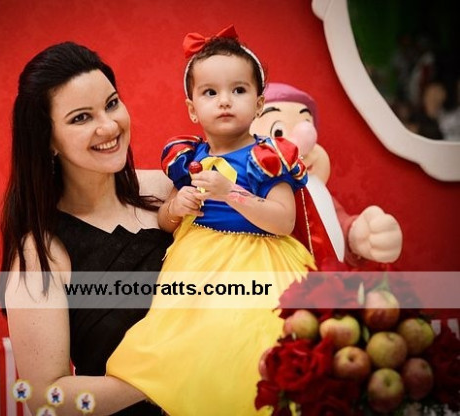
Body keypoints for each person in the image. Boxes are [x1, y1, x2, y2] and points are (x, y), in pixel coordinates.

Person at [107, 25, 314, 415]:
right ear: (192, 109)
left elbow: (283, 221)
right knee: (188, 343)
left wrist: (230, 193)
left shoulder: (266, 158)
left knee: (250, 339)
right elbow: (165, 223)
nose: (225, 101)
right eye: (210, 93)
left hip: (260, 261)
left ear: (259, 104)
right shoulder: (189, 157)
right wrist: (176, 206)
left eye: (239, 90)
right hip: (197, 260)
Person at [0, 41, 173, 415]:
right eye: (80, 118)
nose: (108, 126)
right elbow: (46, 397)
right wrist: (162, 375)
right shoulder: (41, 254)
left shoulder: (168, 190)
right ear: (47, 140)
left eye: (111, 104)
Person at [250, 82, 403, 269]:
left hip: (327, 280)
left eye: (308, 127)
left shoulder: (318, 192)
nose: (303, 147)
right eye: (278, 132)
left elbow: (334, 224)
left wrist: (357, 236)